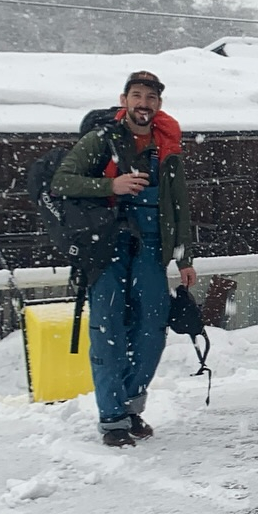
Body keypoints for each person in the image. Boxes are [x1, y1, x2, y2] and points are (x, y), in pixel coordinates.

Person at [51, 70, 197, 448]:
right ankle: (111, 417)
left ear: (158, 105)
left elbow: (179, 205)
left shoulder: (168, 147)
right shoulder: (101, 139)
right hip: (108, 246)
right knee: (107, 330)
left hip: (152, 248)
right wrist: (109, 186)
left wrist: (184, 258)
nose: (143, 104)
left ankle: (131, 406)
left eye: (150, 98)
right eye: (137, 96)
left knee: (152, 329)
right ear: (124, 100)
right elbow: (62, 181)